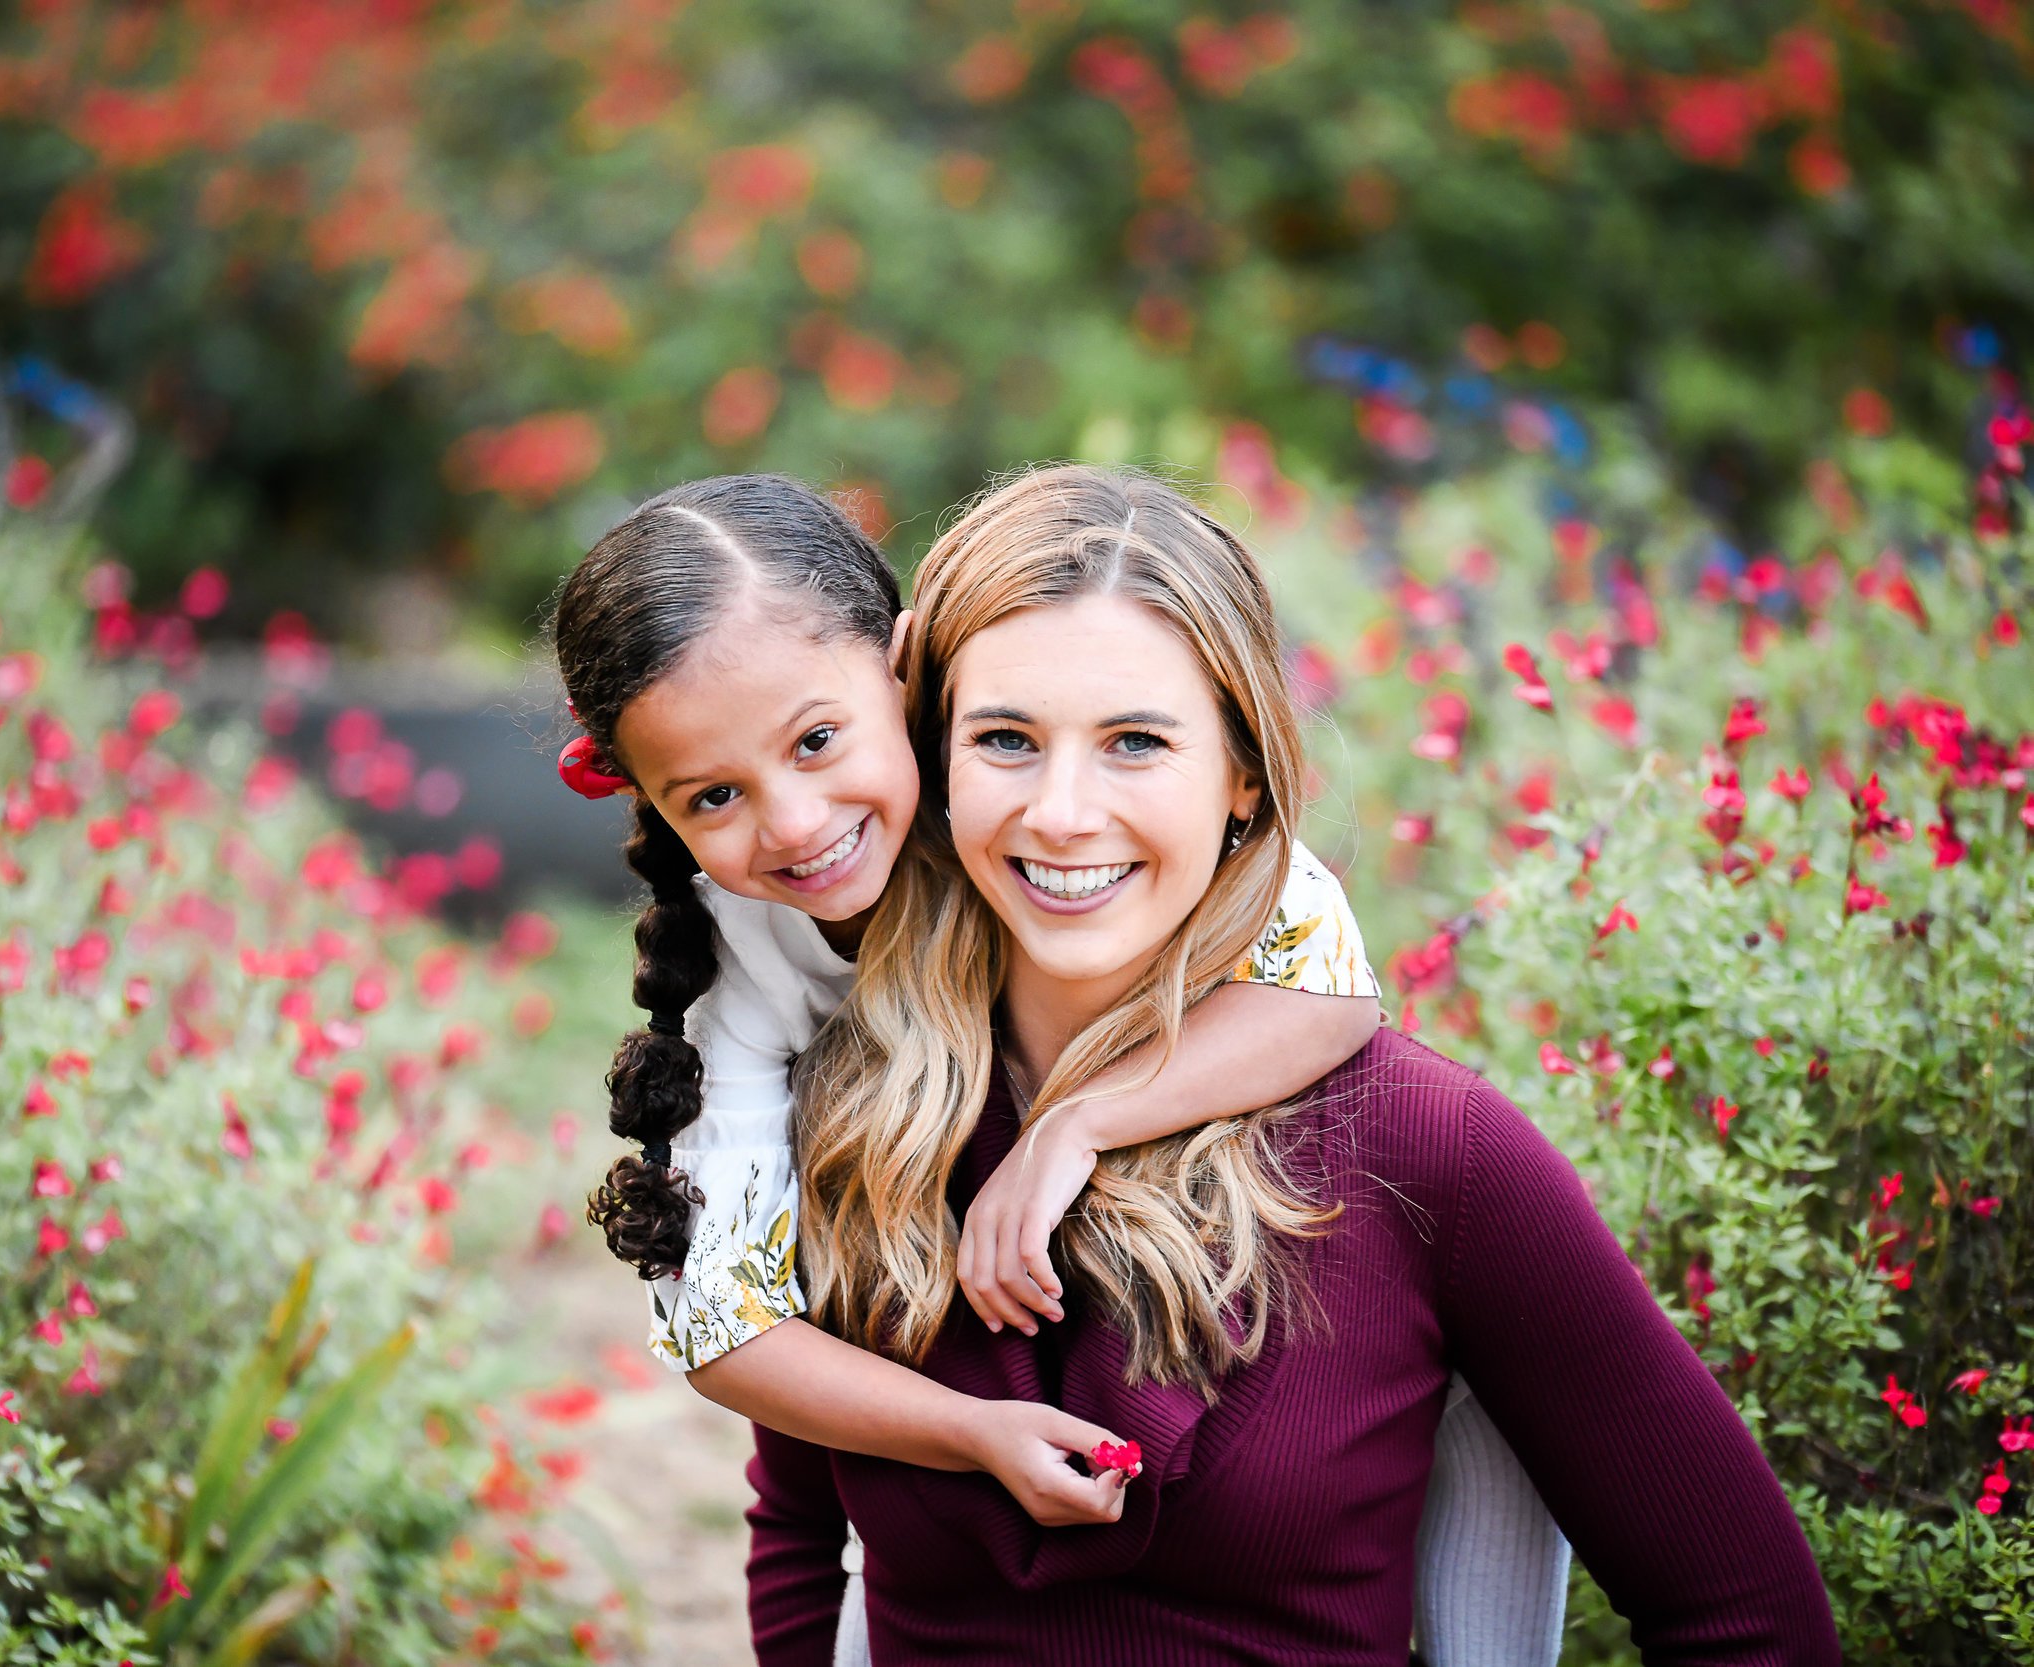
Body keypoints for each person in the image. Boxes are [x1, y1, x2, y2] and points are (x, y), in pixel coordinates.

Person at [749, 464, 1839, 1664]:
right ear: (931, 760)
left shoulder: (1426, 1146)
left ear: (1244, 777)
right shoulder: (851, 1110)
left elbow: (1747, 1618)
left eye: (1136, 742)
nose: (1061, 811)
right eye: (1004, 737)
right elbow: (799, 1527)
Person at [551, 474, 1572, 1663]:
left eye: (818, 740)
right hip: (914, 1284)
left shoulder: (1033, 795)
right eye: (714, 796)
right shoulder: (745, 956)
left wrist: (1070, 1125)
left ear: (908, 668)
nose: (791, 824)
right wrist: (968, 1431)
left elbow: (1331, 985)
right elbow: (720, 1321)